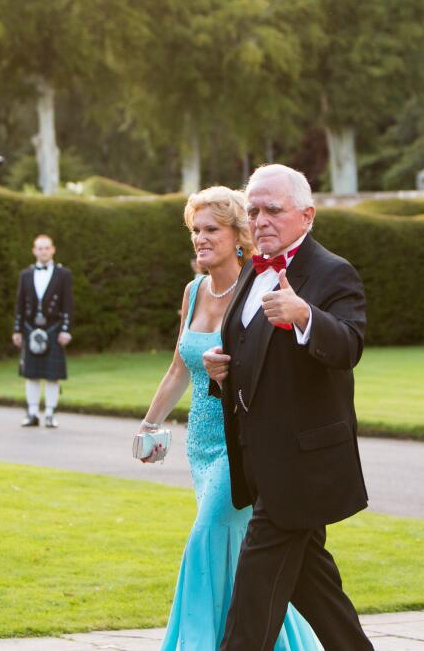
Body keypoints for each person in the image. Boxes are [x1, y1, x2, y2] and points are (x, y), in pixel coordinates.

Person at [138, 187, 321, 651]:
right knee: (238, 552)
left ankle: (197, 643)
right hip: (200, 442)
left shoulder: (255, 287)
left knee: (206, 537)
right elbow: (180, 366)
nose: (200, 239)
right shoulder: (194, 290)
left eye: (210, 230)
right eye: (195, 231)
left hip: (241, 440)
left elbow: (272, 366)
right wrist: (149, 424)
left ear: (238, 237)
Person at [203, 164, 373, 651]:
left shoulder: (332, 273)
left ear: (307, 214)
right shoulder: (250, 276)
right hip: (261, 464)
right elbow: (256, 365)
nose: (260, 221)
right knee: (314, 587)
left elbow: (348, 347)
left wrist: (306, 317)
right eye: (253, 211)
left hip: (302, 467)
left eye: (273, 210)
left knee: (253, 596)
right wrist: (223, 373)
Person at [12, 234, 73, 427]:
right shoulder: (26, 274)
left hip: (53, 328)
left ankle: (49, 414)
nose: (43, 251)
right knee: (31, 375)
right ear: (34, 251)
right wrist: (17, 330)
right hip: (31, 328)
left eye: (46, 248)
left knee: (52, 376)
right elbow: (19, 305)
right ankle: (31, 413)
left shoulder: (64, 274)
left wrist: (65, 330)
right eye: (40, 248)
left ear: (53, 250)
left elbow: (68, 304)